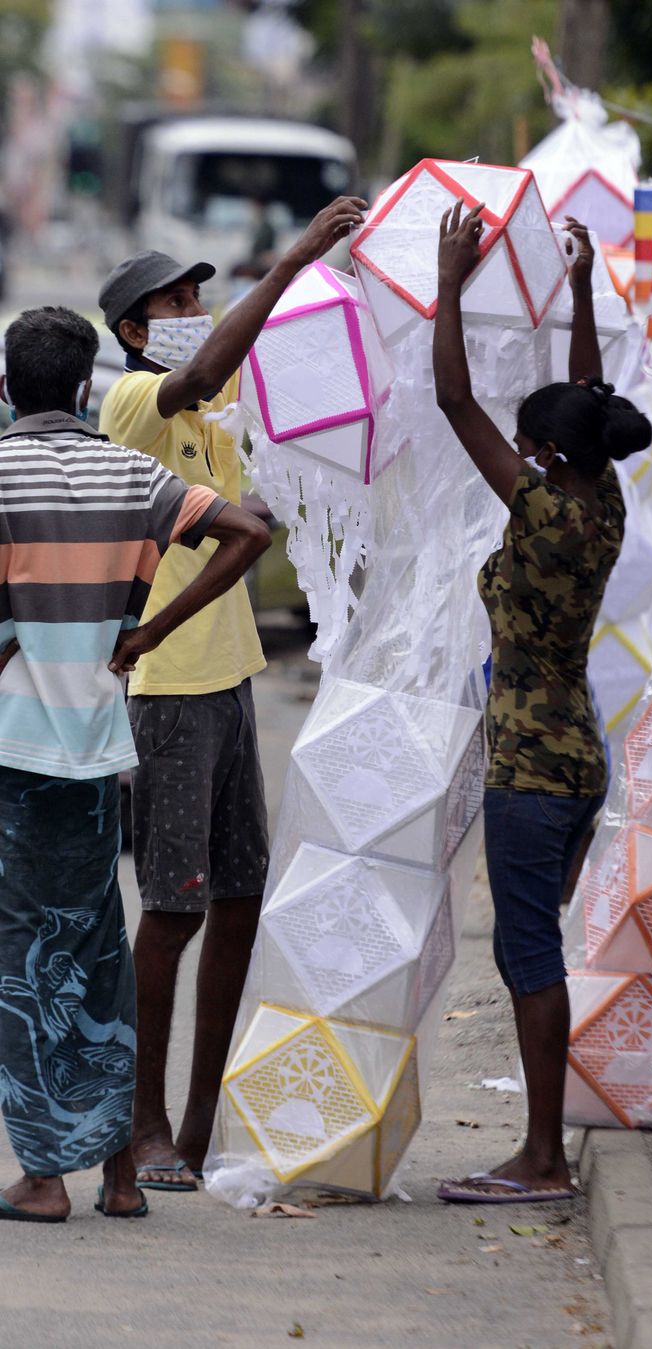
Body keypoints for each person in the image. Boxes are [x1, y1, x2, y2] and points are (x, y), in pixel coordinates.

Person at [97, 194, 366, 1193]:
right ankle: (148, 1118)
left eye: (193, 297)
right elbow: (203, 370)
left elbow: (257, 378)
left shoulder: (213, 413)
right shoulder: (131, 399)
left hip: (230, 677)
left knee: (240, 899)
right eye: (170, 302)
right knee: (170, 911)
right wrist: (298, 253)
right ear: (132, 330)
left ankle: (204, 1118)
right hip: (167, 687)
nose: (188, 311)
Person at [0, 306, 270, 1222]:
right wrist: (146, 628)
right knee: (98, 945)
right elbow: (247, 533)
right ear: (85, 387)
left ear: (6, 385)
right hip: (99, 746)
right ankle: (118, 1169)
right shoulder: (129, 471)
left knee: (24, 958)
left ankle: (43, 1174)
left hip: (14, 754)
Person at [432, 204, 652, 1203]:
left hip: (528, 765)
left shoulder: (543, 501)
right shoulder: (602, 495)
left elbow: (452, 396)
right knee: (538, 946)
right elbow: (590, 400)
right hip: (579, 754)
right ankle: (540, 1146)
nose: (515, 451)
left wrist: (447, 282)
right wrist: (578, 290)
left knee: (528, 950)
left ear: (545, 458)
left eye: (527, 443)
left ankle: (541, 1156)